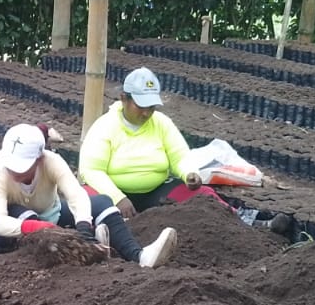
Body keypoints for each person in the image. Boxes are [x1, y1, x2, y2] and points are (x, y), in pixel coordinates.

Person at [79, 66, 291, 235]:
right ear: (124, 98)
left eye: (151, 107)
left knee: (204, 196)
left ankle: (249, 222)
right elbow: (92, 170)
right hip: (113, 192)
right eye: (141, 106)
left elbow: (179, 155)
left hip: (155, 190)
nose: (146, 113)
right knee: (87, 199)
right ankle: (97, 236)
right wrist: (118, 198)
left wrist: (189, 173)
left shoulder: (161, 123)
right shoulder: (105, 126)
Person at [0, 123, 178, 268]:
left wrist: (83, 225)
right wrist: (36, 227)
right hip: (2, 226)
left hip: (49, 215)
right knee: (22, 213)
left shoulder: (51, 162)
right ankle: (89, 252)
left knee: (103, 203)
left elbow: (76, 195)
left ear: (38, 159)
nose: (14, 171)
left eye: (22, 166)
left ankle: (138, 256)